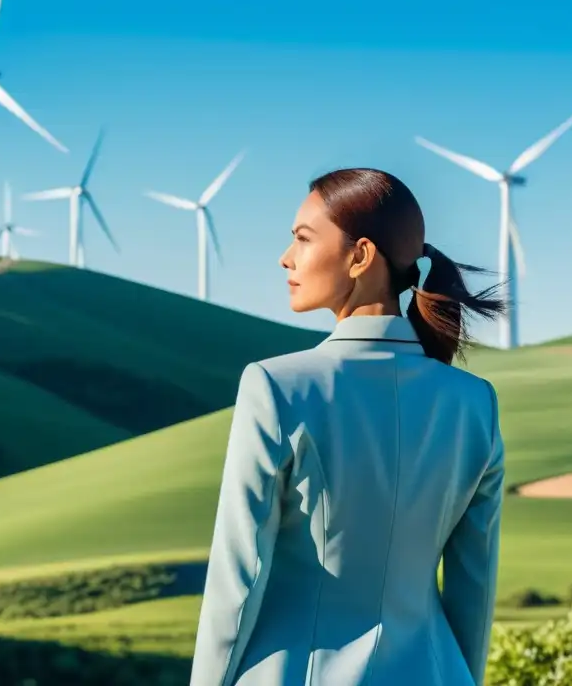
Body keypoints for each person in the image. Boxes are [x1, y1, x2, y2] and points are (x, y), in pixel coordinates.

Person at [190, 168, 509, 686]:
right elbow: (474, 588)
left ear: (360, 255)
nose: (285, 257)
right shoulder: (476, 403)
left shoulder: (274, 386)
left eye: (301, 238)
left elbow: (239, 579)